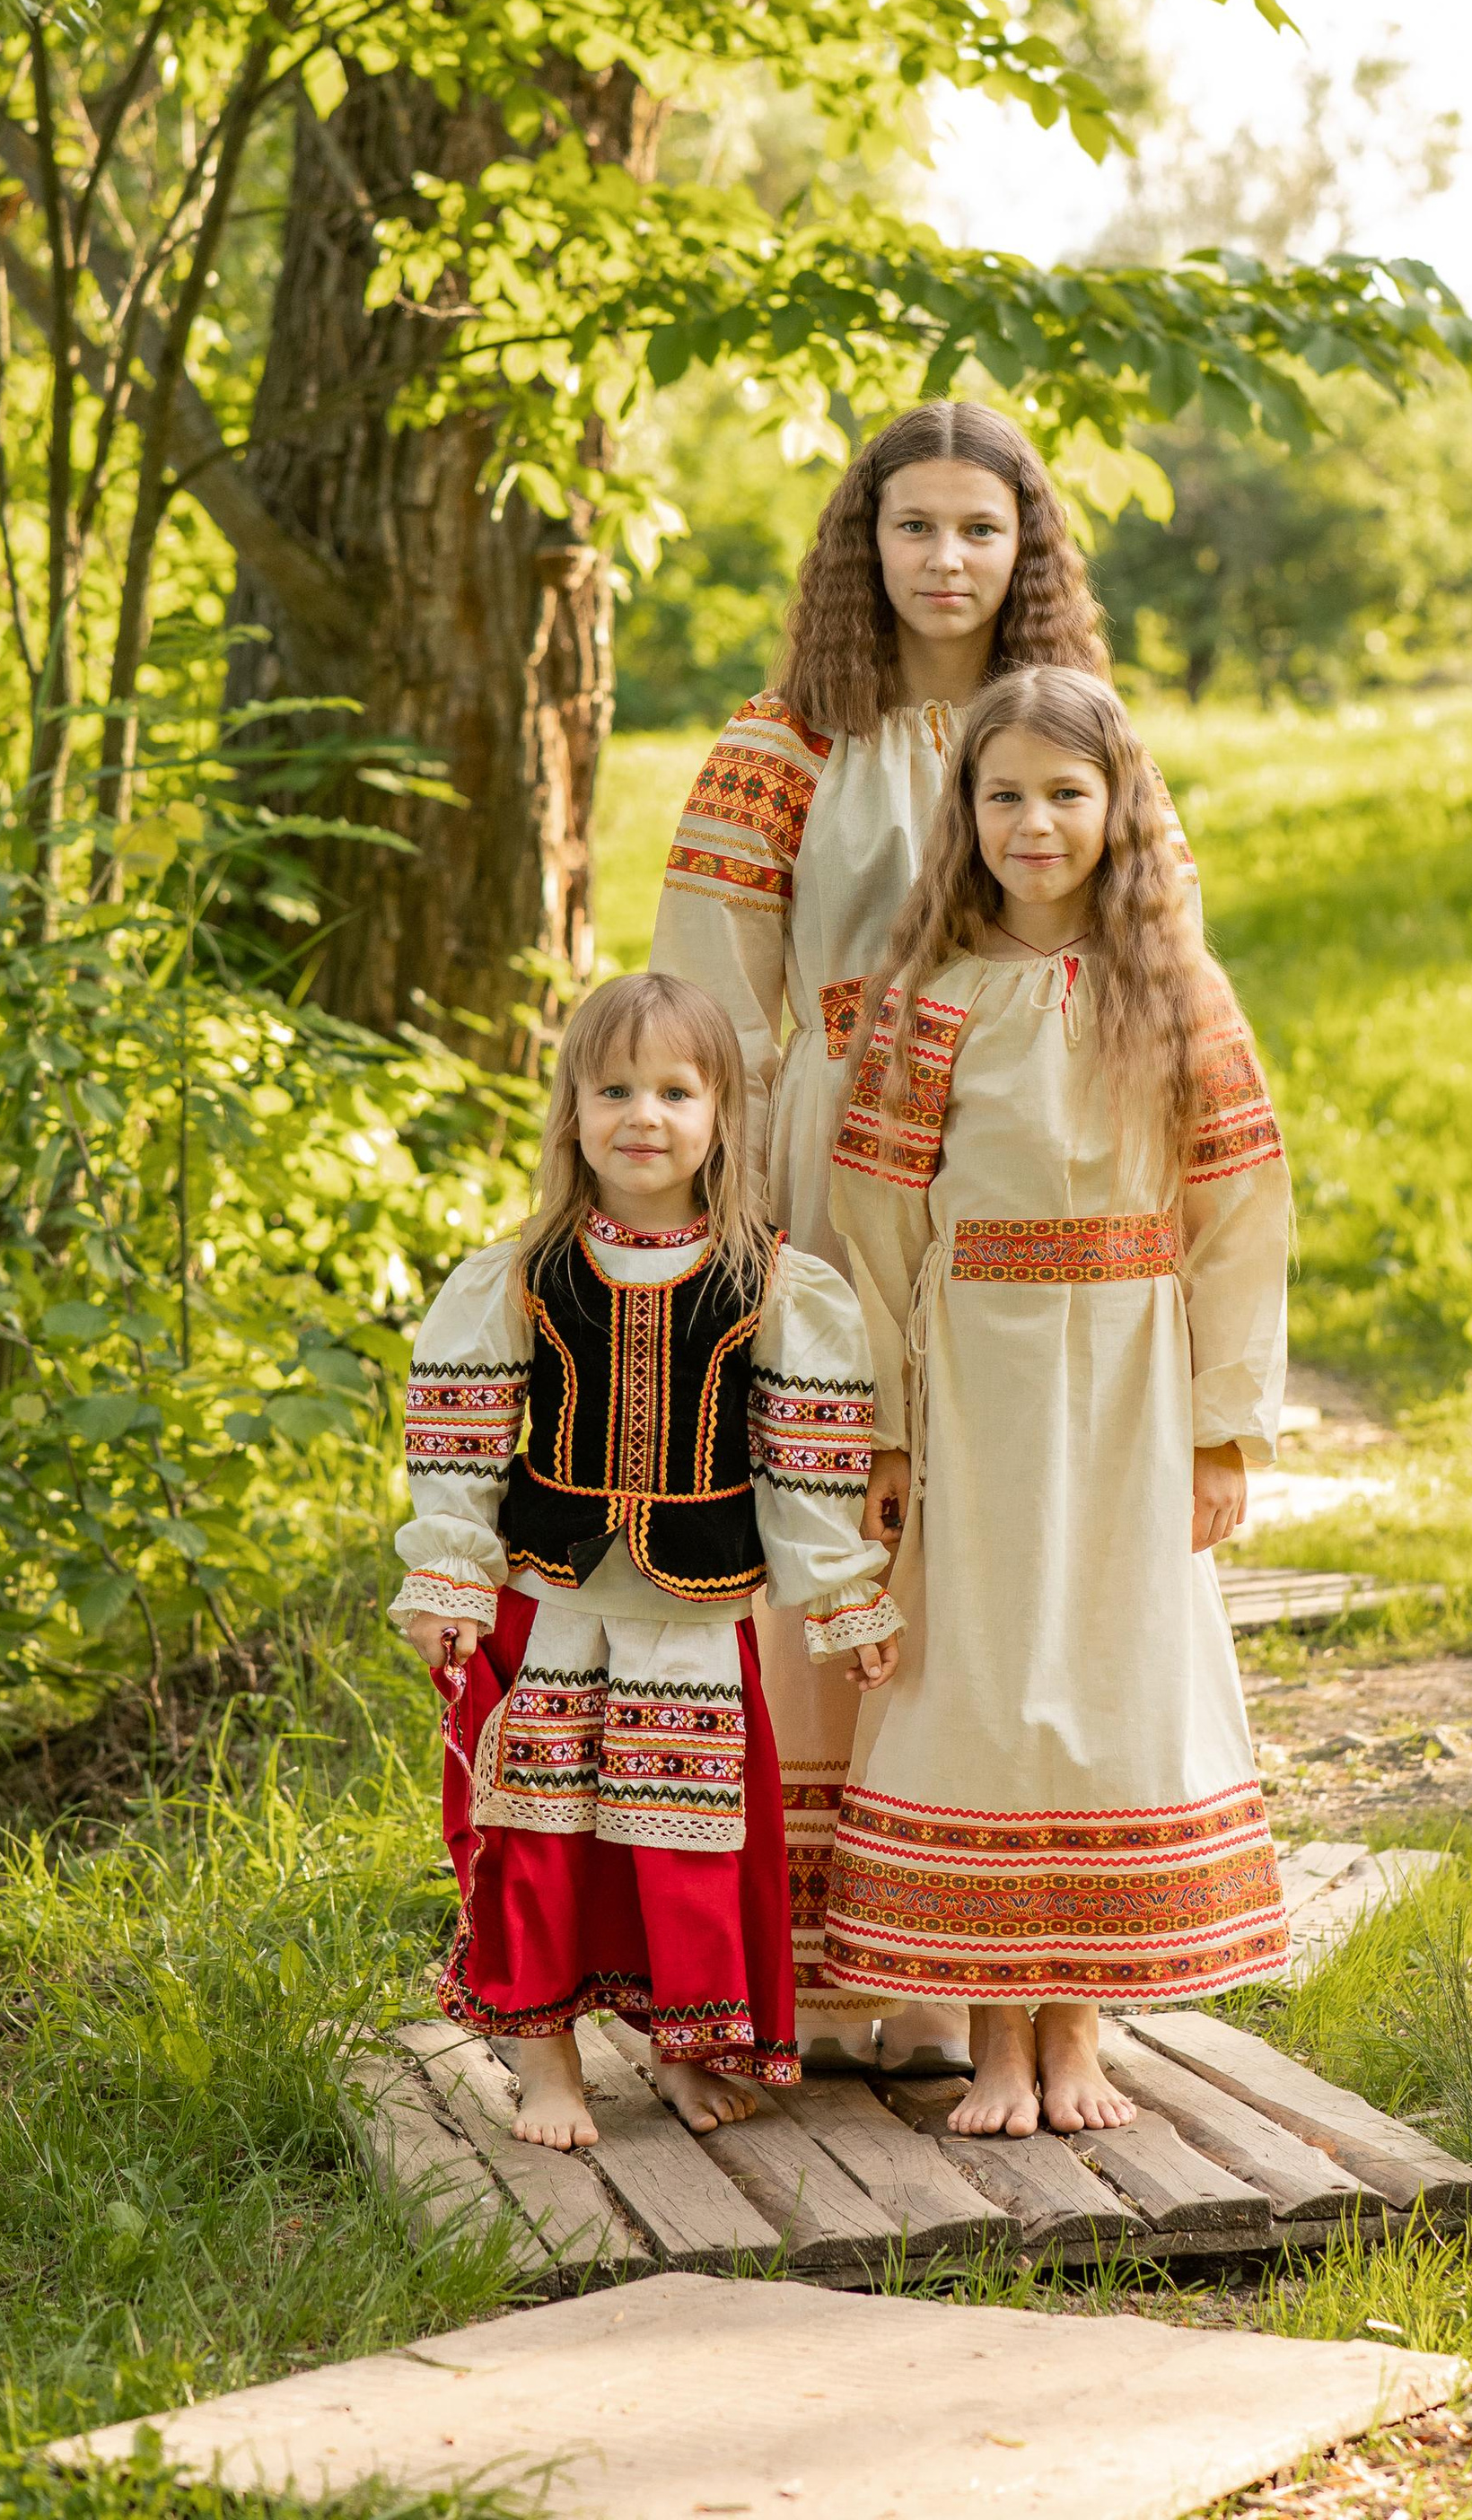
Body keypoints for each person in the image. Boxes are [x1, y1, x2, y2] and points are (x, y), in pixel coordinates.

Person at [651, 400, 1170, 2063]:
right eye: (914, 529)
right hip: (834, 1175)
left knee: (1003, 1547)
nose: (946, 562)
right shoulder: (784, 741)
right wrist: (714, 1213)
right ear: (860, 547)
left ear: (1028, 555)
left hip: (1023, 1188)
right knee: (841, 1524)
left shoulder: (1064, 733)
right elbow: (715, 1004)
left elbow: (1150, 973)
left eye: (981, 531)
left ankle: (996, 1942)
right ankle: (830, 1972)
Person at [819, 666, 1291, 2138]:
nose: (1036, 823)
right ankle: (993, 2038)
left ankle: (1077, 2028)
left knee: (1106, 1663)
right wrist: (887, 1427)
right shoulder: (931, 998)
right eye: (1005, 795)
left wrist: (1224, 1422)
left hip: (1137, 1378)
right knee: (978, 1660)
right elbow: (877, 1223)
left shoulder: (1178, 989)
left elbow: (1241, 1212)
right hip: (980, 1372)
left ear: (1121, 809)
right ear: (964, 814)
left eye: (1067, 795)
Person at [390, 972, 901, 2150]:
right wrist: (449, 1577)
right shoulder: (524, 1272)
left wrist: (842, 1595)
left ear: (723, 1115)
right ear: (571, 1109)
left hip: (691, 1610)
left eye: (676, 1089)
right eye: (613, 1087)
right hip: (551, 1596)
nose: (644, 1115)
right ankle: (548, 2064)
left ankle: (684, 2048)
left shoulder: (765, 1280)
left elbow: (809, 1460)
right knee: (539, 1832)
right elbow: (461, 1432)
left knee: (684, 1840)